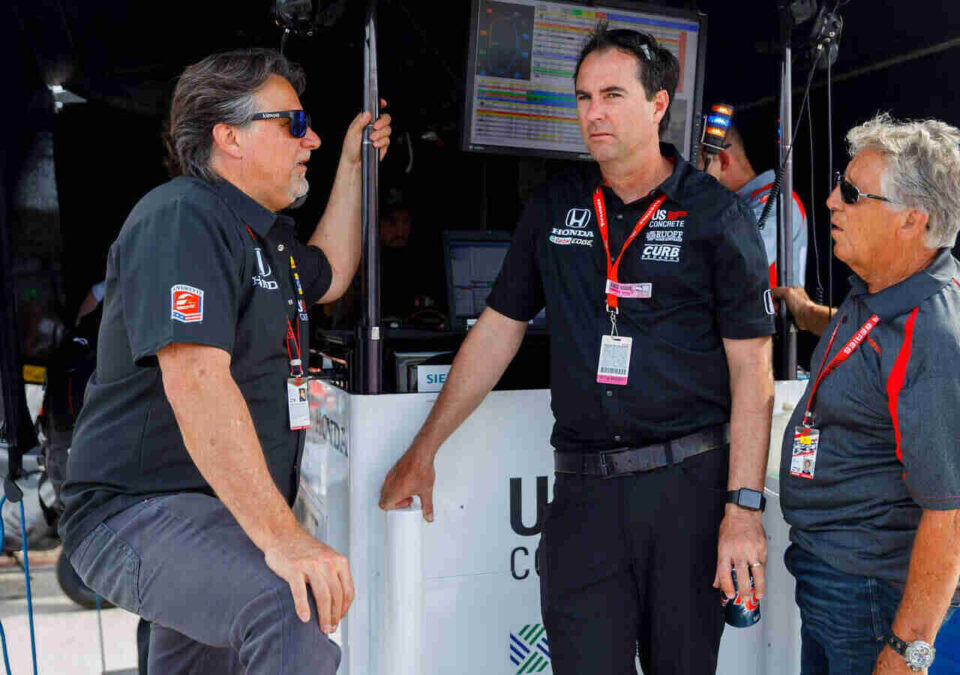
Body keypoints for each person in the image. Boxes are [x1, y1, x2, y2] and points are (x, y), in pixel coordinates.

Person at [378, 23, 775, 674]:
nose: (593, 112)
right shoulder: (555, 204)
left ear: (657, 104)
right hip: (582, 497)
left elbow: (751, 371)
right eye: (584, 96)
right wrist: (425, 447)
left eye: (612, 94)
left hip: (689, 495)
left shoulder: (715, 214)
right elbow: (497, 332)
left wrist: (744, 508)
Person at [59, 48, 392, 673]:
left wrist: (353, 166)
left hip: (218, 516)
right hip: (138, 512)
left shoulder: (265, 238)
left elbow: (333, 271)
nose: (312, 139)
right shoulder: (183, 214)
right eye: (293, 124)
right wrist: (287, 541)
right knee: (290, 608)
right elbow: (196, 377)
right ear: (229, 137)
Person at [773, 113, 960, 674]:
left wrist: (905, 652)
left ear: (910, 221)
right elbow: (875, 349)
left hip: (873, 599)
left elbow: (953, 513)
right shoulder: (887, 286)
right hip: (837, 577)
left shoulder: (940, 339)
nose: (830, 200)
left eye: (852, 192)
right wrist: (808, 315)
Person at [701, 122, 807, 288]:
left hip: (772, 313)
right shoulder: (734, 205)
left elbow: (738, 261)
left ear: (722, 161)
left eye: (695, 166)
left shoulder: (779, 202)